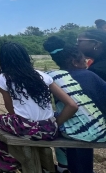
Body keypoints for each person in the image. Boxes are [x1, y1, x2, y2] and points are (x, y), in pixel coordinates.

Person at [0, 42, 78, 172]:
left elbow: (11, 110)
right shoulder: (43, 76)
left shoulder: (4, 78)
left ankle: (6, 165)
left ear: (3, 60)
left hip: (26, 127)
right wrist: (55, 123)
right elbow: (72, 105)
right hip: (49, 130)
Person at [44, 36, 106, 173]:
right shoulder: (89, 76)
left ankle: (63, 166)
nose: (86, 63)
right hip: (96, 129)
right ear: (75, 62)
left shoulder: (52, 77)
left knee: (57, 121)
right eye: (84, 60)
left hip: (71, 130)